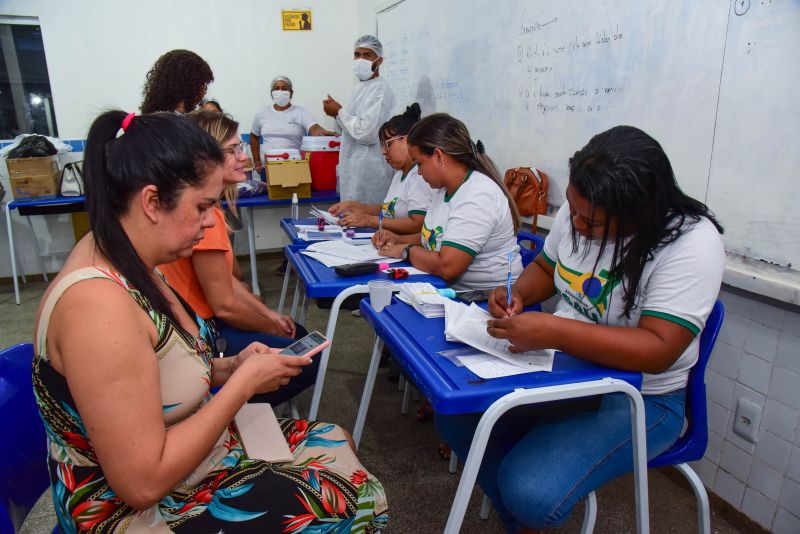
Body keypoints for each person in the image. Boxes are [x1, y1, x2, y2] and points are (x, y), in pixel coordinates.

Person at [32, 110, 388, 533]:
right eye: (202, 206)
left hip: (180, 466)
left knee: (332, 437)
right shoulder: (96, 306)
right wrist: (242, 386)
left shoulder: (131, 257)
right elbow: (141, 484)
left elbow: (152, 373)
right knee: (356, 497)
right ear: (151, 202)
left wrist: (229, 367)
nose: (209, 222)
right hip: (135, 511)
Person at [436, 125, 725, 532]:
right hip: (566, 367)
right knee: (459, 416)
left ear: (638, 212)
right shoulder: (580, 212)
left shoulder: (691, 243)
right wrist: (515, 293)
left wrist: (554, 331)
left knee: (530, 490)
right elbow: (544, 267)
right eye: (571, 209)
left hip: (642, 397)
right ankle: (521, 513)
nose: (575, 222)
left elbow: (658, 350)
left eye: (589, 221)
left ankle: (524, 498)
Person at [159, 110, 318, 405]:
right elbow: (225, 305)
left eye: (241, 147)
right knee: (304, 357)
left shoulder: (200, 207)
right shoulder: (208, 214)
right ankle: (232, 412)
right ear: (203, 157)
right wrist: (269, 327)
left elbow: (225, 283)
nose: (243, 157)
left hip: (196, 326)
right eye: (233, 150)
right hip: (201, 333)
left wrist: (269, 316)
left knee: (299, 335)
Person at [376, 113, 523, 294]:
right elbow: (437, 238)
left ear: (438, 156)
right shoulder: (443, 190)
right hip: (448, 290)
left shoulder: (477, 195)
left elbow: (447, 266)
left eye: (419, 163)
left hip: (490, 300)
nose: (419, 172)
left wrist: (406, 250)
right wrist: (397, 239)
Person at [328, 103, 433, 234]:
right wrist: (352, 206)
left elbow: (418, 224)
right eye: (382, 146)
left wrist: (369, 220)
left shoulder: (420, 176)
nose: (384, 151)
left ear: (409, 139)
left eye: (388, 144)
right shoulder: (400, 175)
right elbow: (388, 211)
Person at [323, 35, 396, 204]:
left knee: (367, 222)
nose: (360, 59)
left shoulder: (380, 90)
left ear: (379, 61)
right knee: (350, 220)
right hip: (353, 167)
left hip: (370, 172)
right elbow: (346, 129)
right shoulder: (358, 88)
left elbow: (367, 134)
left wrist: (339, 112)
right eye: (357, 54)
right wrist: (336, 113)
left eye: (367, 55)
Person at [250, 75, 334, 173]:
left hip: (295, 165)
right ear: (271, 93)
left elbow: (314, 128)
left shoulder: (301, 112)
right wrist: (257, 161)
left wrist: (323, 132)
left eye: (284, 88)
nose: (280, 92)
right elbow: (254, 136)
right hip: (269, 167)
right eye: (276, 89)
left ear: (291, 93)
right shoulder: (262, 113)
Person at [141, 49, 213, 114]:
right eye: (203, 84)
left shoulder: (143, 122)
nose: (204, 91)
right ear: (191, 84)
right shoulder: (188, 125)